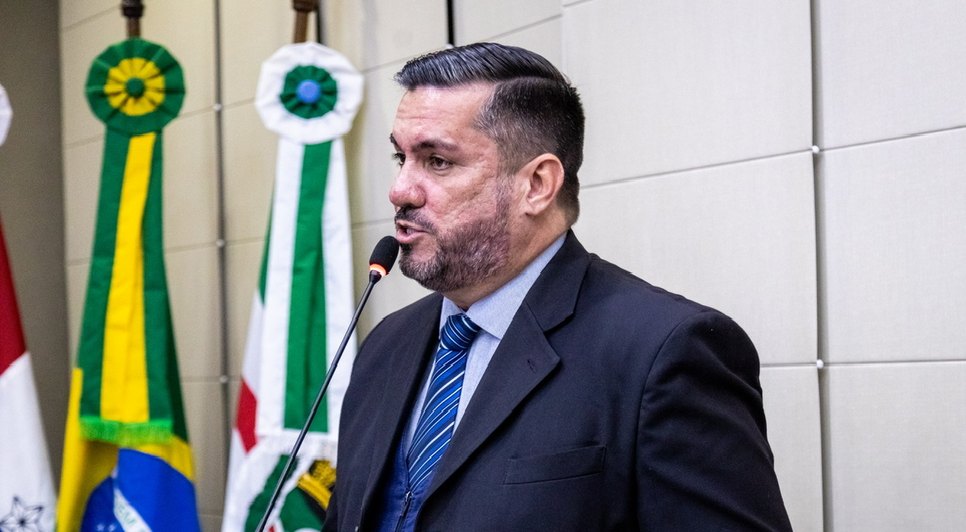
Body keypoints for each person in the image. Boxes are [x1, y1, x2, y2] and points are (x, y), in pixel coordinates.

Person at [326, 42, 792, 531]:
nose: (399, 190)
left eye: (438, 160)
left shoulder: (663, 351)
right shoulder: (386, 343)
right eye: (401, 157)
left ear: (537, 185)